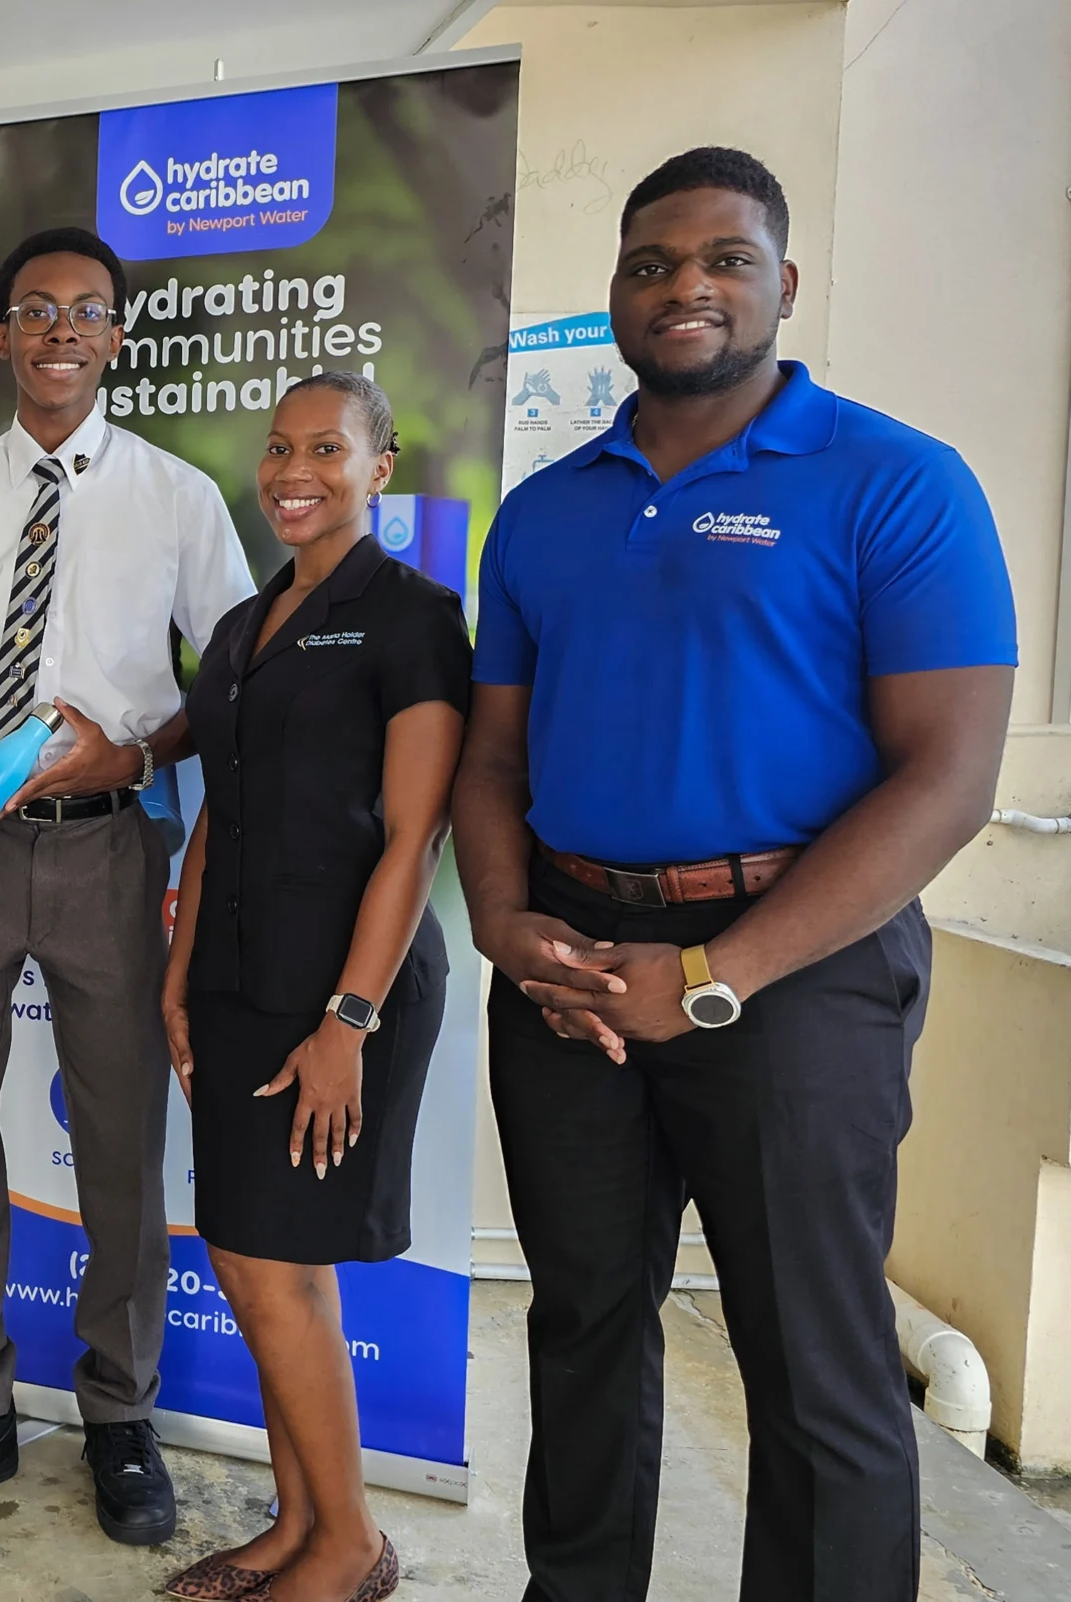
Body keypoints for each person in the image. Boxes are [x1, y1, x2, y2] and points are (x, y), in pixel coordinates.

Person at [453, 147, 1016, 1602]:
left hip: (799, 962)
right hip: (568, 960)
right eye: (653, 263)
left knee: (811, 1357)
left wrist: (710, 976)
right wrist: (511, 922)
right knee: (579, 1321)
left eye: (724, 259)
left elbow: (948, 780)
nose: (686, 286)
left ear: (785, 283)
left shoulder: (898, 480)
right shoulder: (548, 509)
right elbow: (493, 760)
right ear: (620, 292)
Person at [0, 226, 254, 1546]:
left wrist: (136, 750)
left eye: (87, 311)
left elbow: (232, 685)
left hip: (109, 840)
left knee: (122, 1139)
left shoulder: (179, 498)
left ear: (115, 338)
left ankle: (119, 1411)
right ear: (2, 337)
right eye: (37, 310)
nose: (61, 331)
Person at [157, 373, 467, 1602]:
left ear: (379, 466)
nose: (294, 469)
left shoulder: (410, 616)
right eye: (279, 448)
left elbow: (415, 834)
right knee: (247, 1261)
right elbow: (209, 825)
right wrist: (178, 983)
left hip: (344, 993)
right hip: (234, 982)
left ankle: (349, 1546)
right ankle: (298, 1523)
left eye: (326, 448)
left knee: (280, 1267)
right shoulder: (240, 629)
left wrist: (349, 1019)